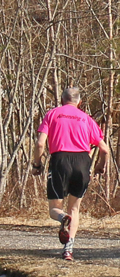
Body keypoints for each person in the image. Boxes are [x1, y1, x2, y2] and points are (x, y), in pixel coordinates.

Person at [34, 85, 108, 261]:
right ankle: (68, 250)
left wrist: (37, 164)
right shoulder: (87, 119)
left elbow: (39, 144)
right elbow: (104, 149)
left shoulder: (52, 114)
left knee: (54, 209)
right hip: (83, 162)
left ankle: (63, 218)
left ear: (62, 100)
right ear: (79, 102)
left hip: (60, 160)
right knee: (75, 208)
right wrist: (100, 166)